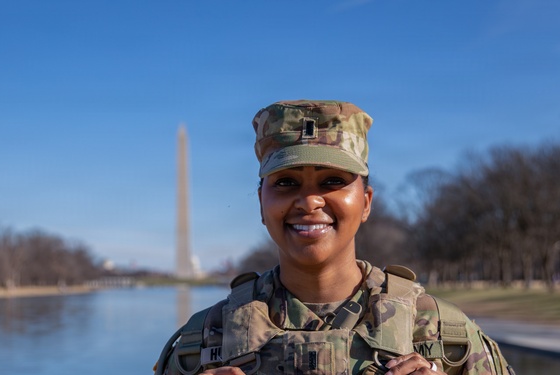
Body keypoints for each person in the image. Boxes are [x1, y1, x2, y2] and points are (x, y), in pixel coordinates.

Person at [153, 100, 514, 375]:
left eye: (332, 182)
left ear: (366, 203)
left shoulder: (444, 336)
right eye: (286, 183)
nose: (309, 200)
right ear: (262, 204)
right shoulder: (200, 342)